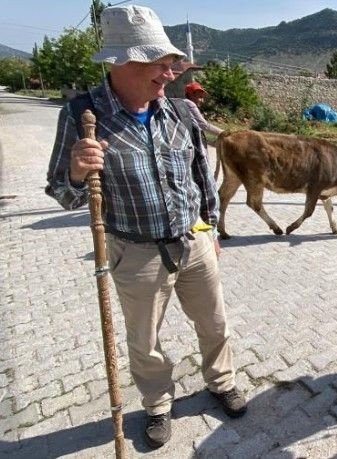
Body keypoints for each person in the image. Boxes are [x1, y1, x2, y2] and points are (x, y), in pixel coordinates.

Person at [45, 5, 246, 448]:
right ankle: (157, 404)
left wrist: (210, 230)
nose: (168, 73)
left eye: (169, 63)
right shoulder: (83, 115)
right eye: (158, 62)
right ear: (122, 63)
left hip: (192, 241)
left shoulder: (180, 112)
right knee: (145, 340)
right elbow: (61, 191)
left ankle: (221, 380)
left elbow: (201, 176)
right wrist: (77, 173)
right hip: (134, 252)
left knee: (214, 324)